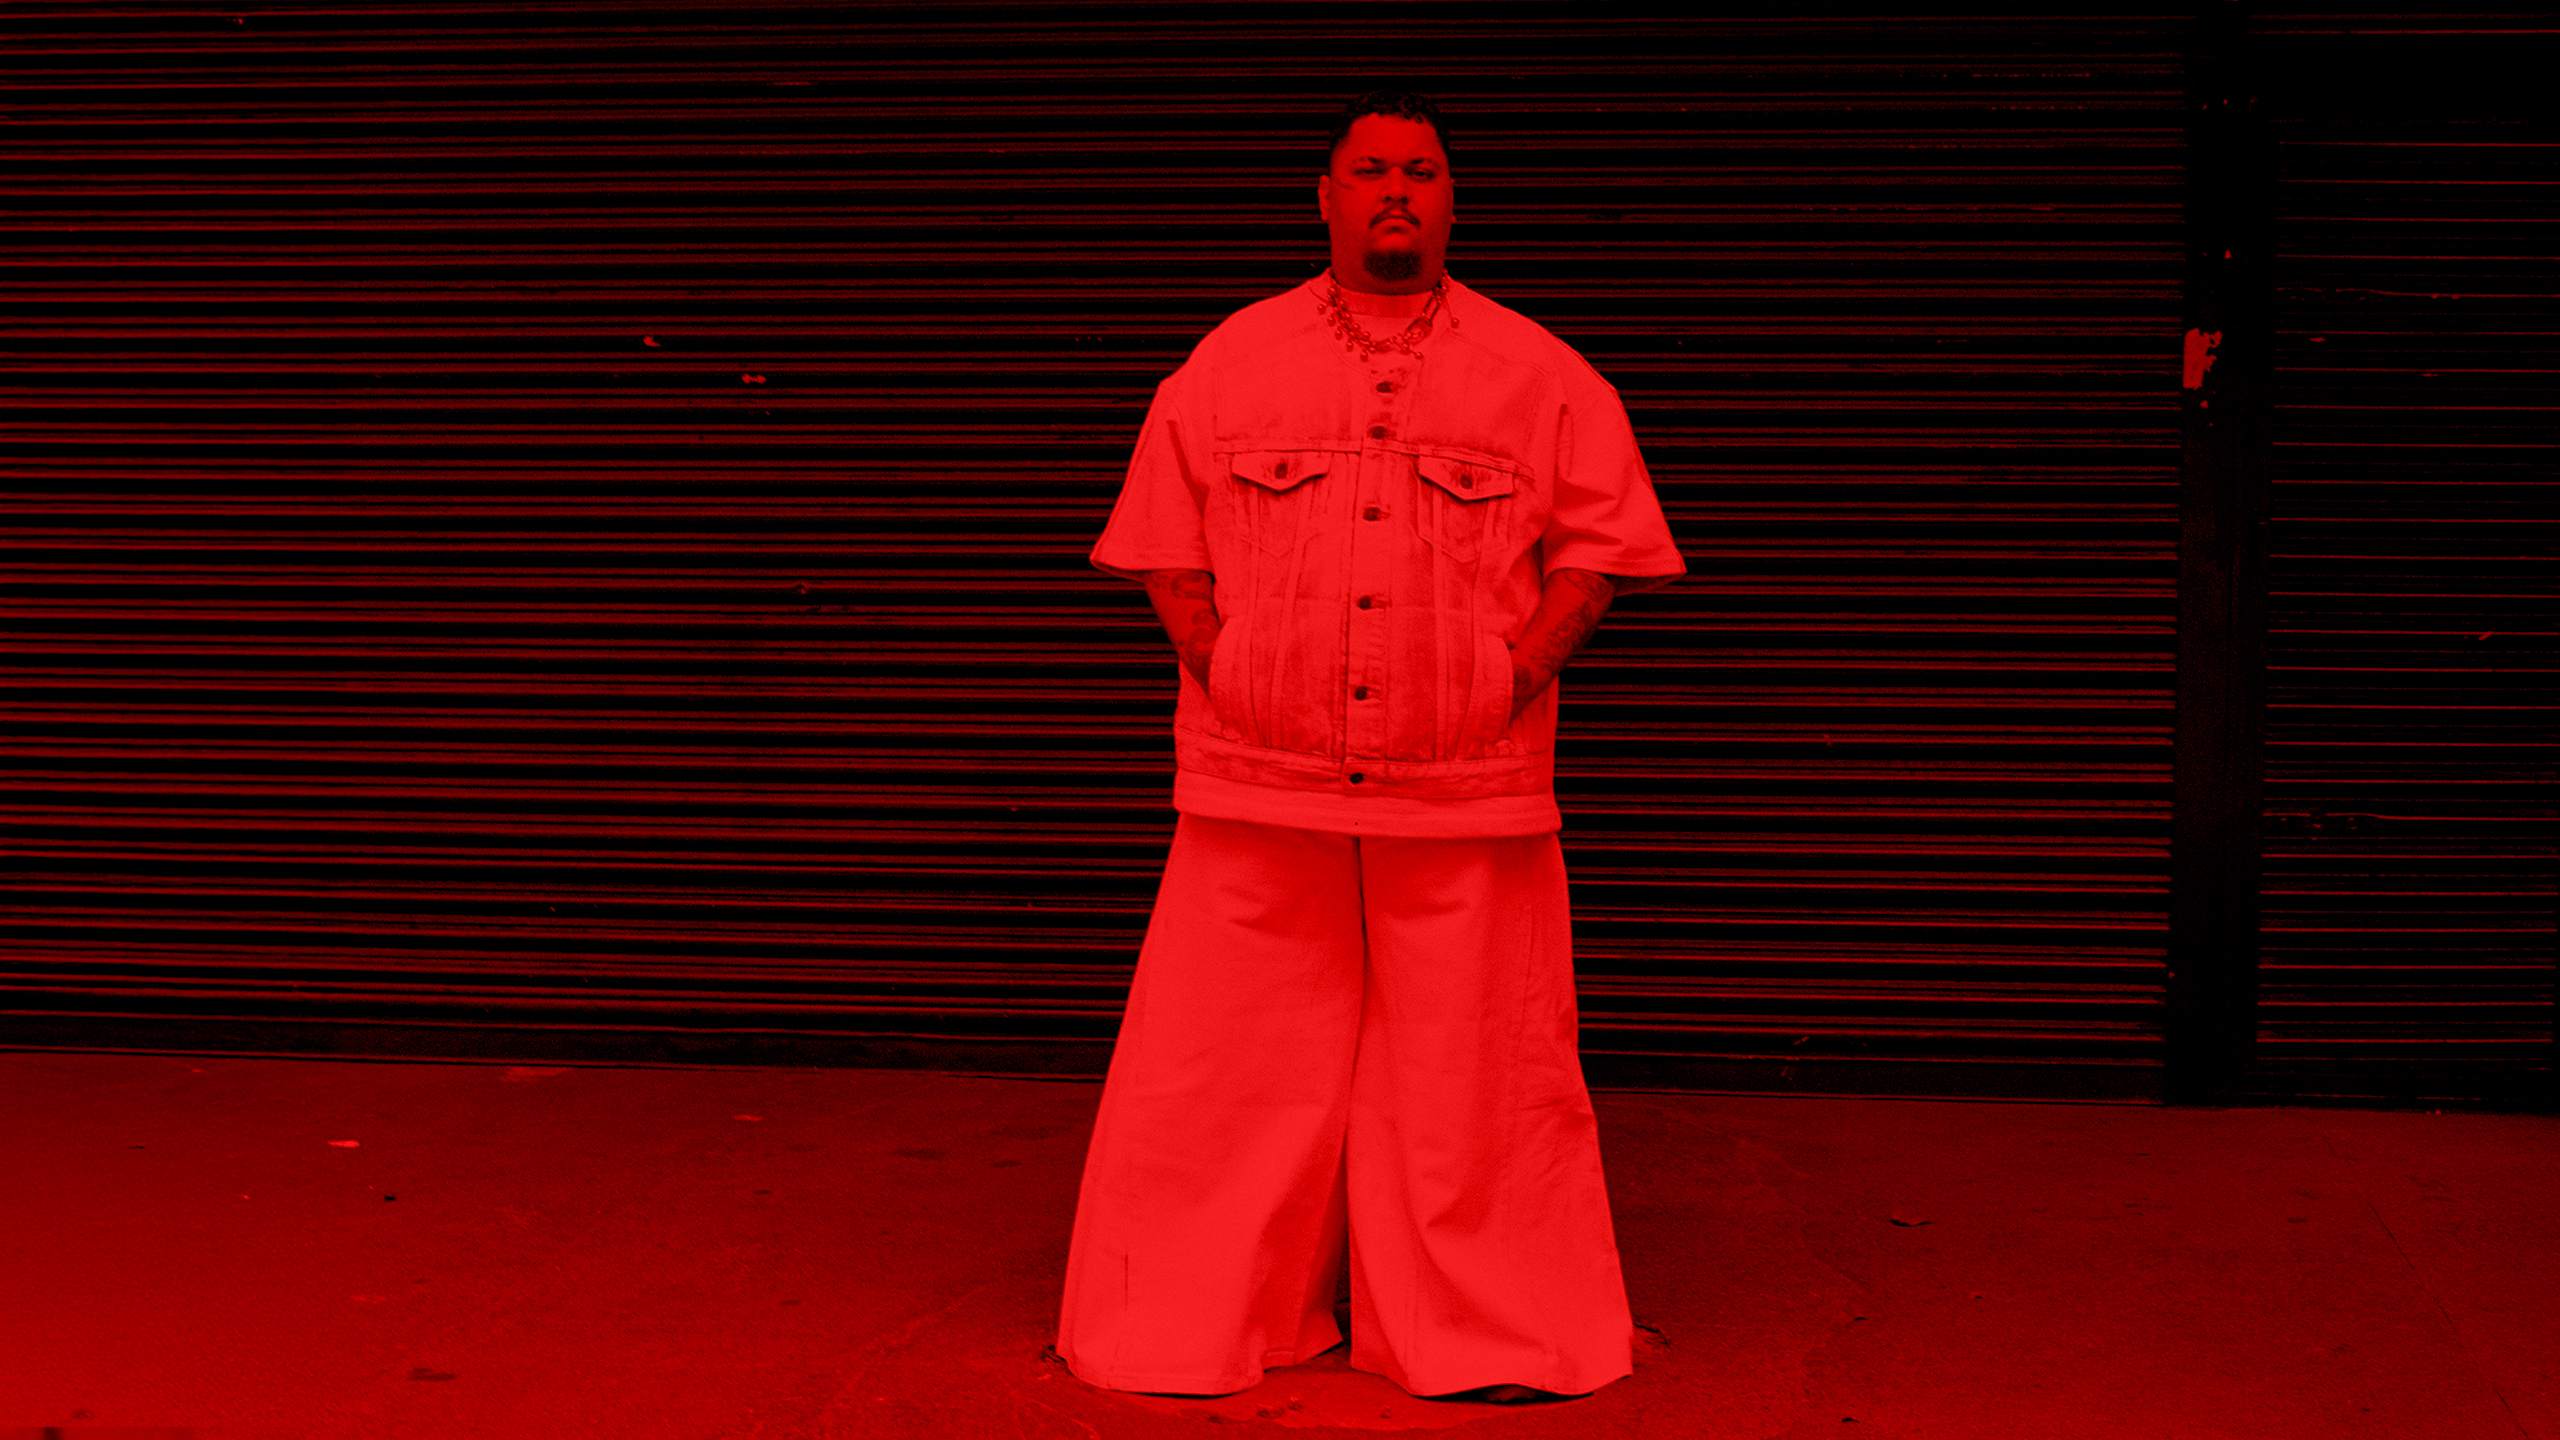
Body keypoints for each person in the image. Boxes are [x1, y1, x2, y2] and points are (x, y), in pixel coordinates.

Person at [1054, 89, 1686, 1404]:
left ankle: (1490, 1332)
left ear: (1453, 200)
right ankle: (1186, 1317)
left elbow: (1606, 547)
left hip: (1470, 779)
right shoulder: (1233, 358)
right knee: (1219, 1062)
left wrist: (1514, 676)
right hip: (1255, 775)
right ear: (1326, 197)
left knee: (1478, 1064)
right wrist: (1226, 667)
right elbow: (1162, 540)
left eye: (1423, 170)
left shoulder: (1539, 371)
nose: (1397, 189)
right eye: (1371, 170)